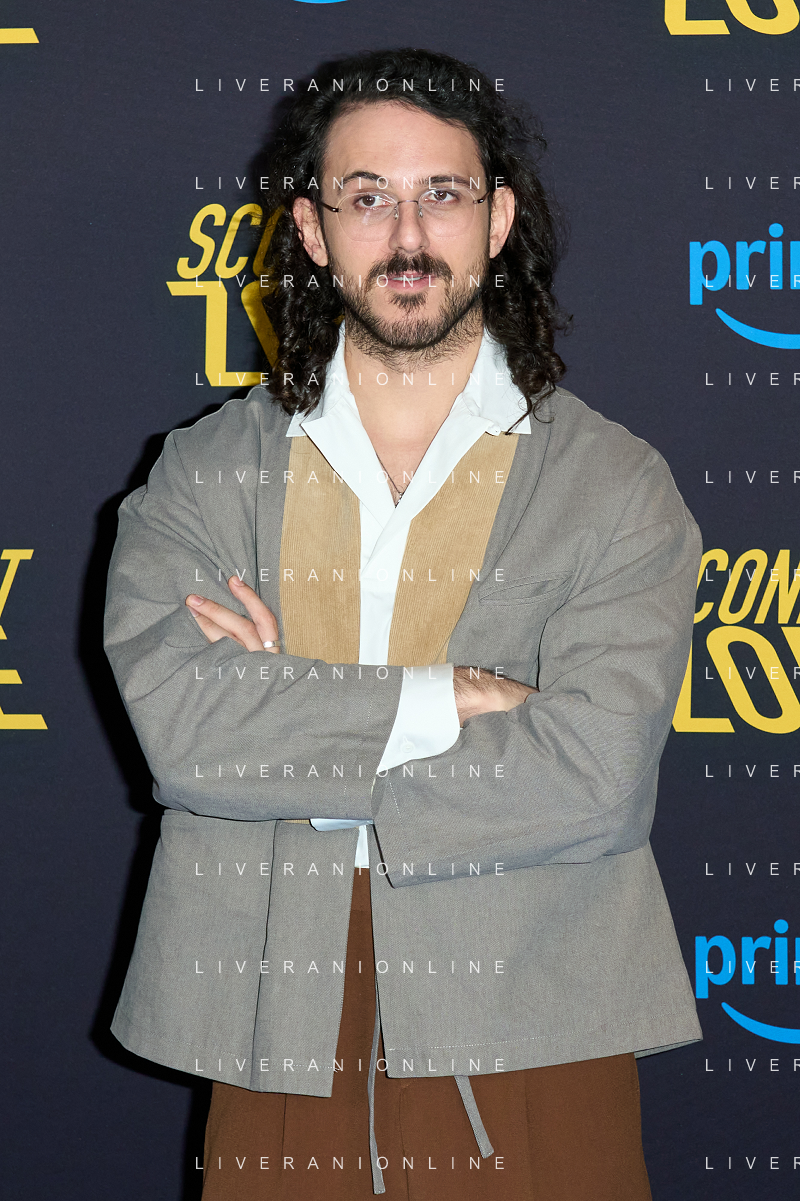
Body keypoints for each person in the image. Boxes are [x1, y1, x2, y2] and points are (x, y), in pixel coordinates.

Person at [104, 47, 702, 1201]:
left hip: (532, 1010)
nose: (408, 233)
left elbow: (595, 773)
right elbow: (186, 732)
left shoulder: (613, 484)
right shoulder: (201, 473)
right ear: (312, 230)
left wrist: (291, 724)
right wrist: (451, 698)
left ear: (497, 219)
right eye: (367, 195)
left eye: (444, 192)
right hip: (273, 1006)